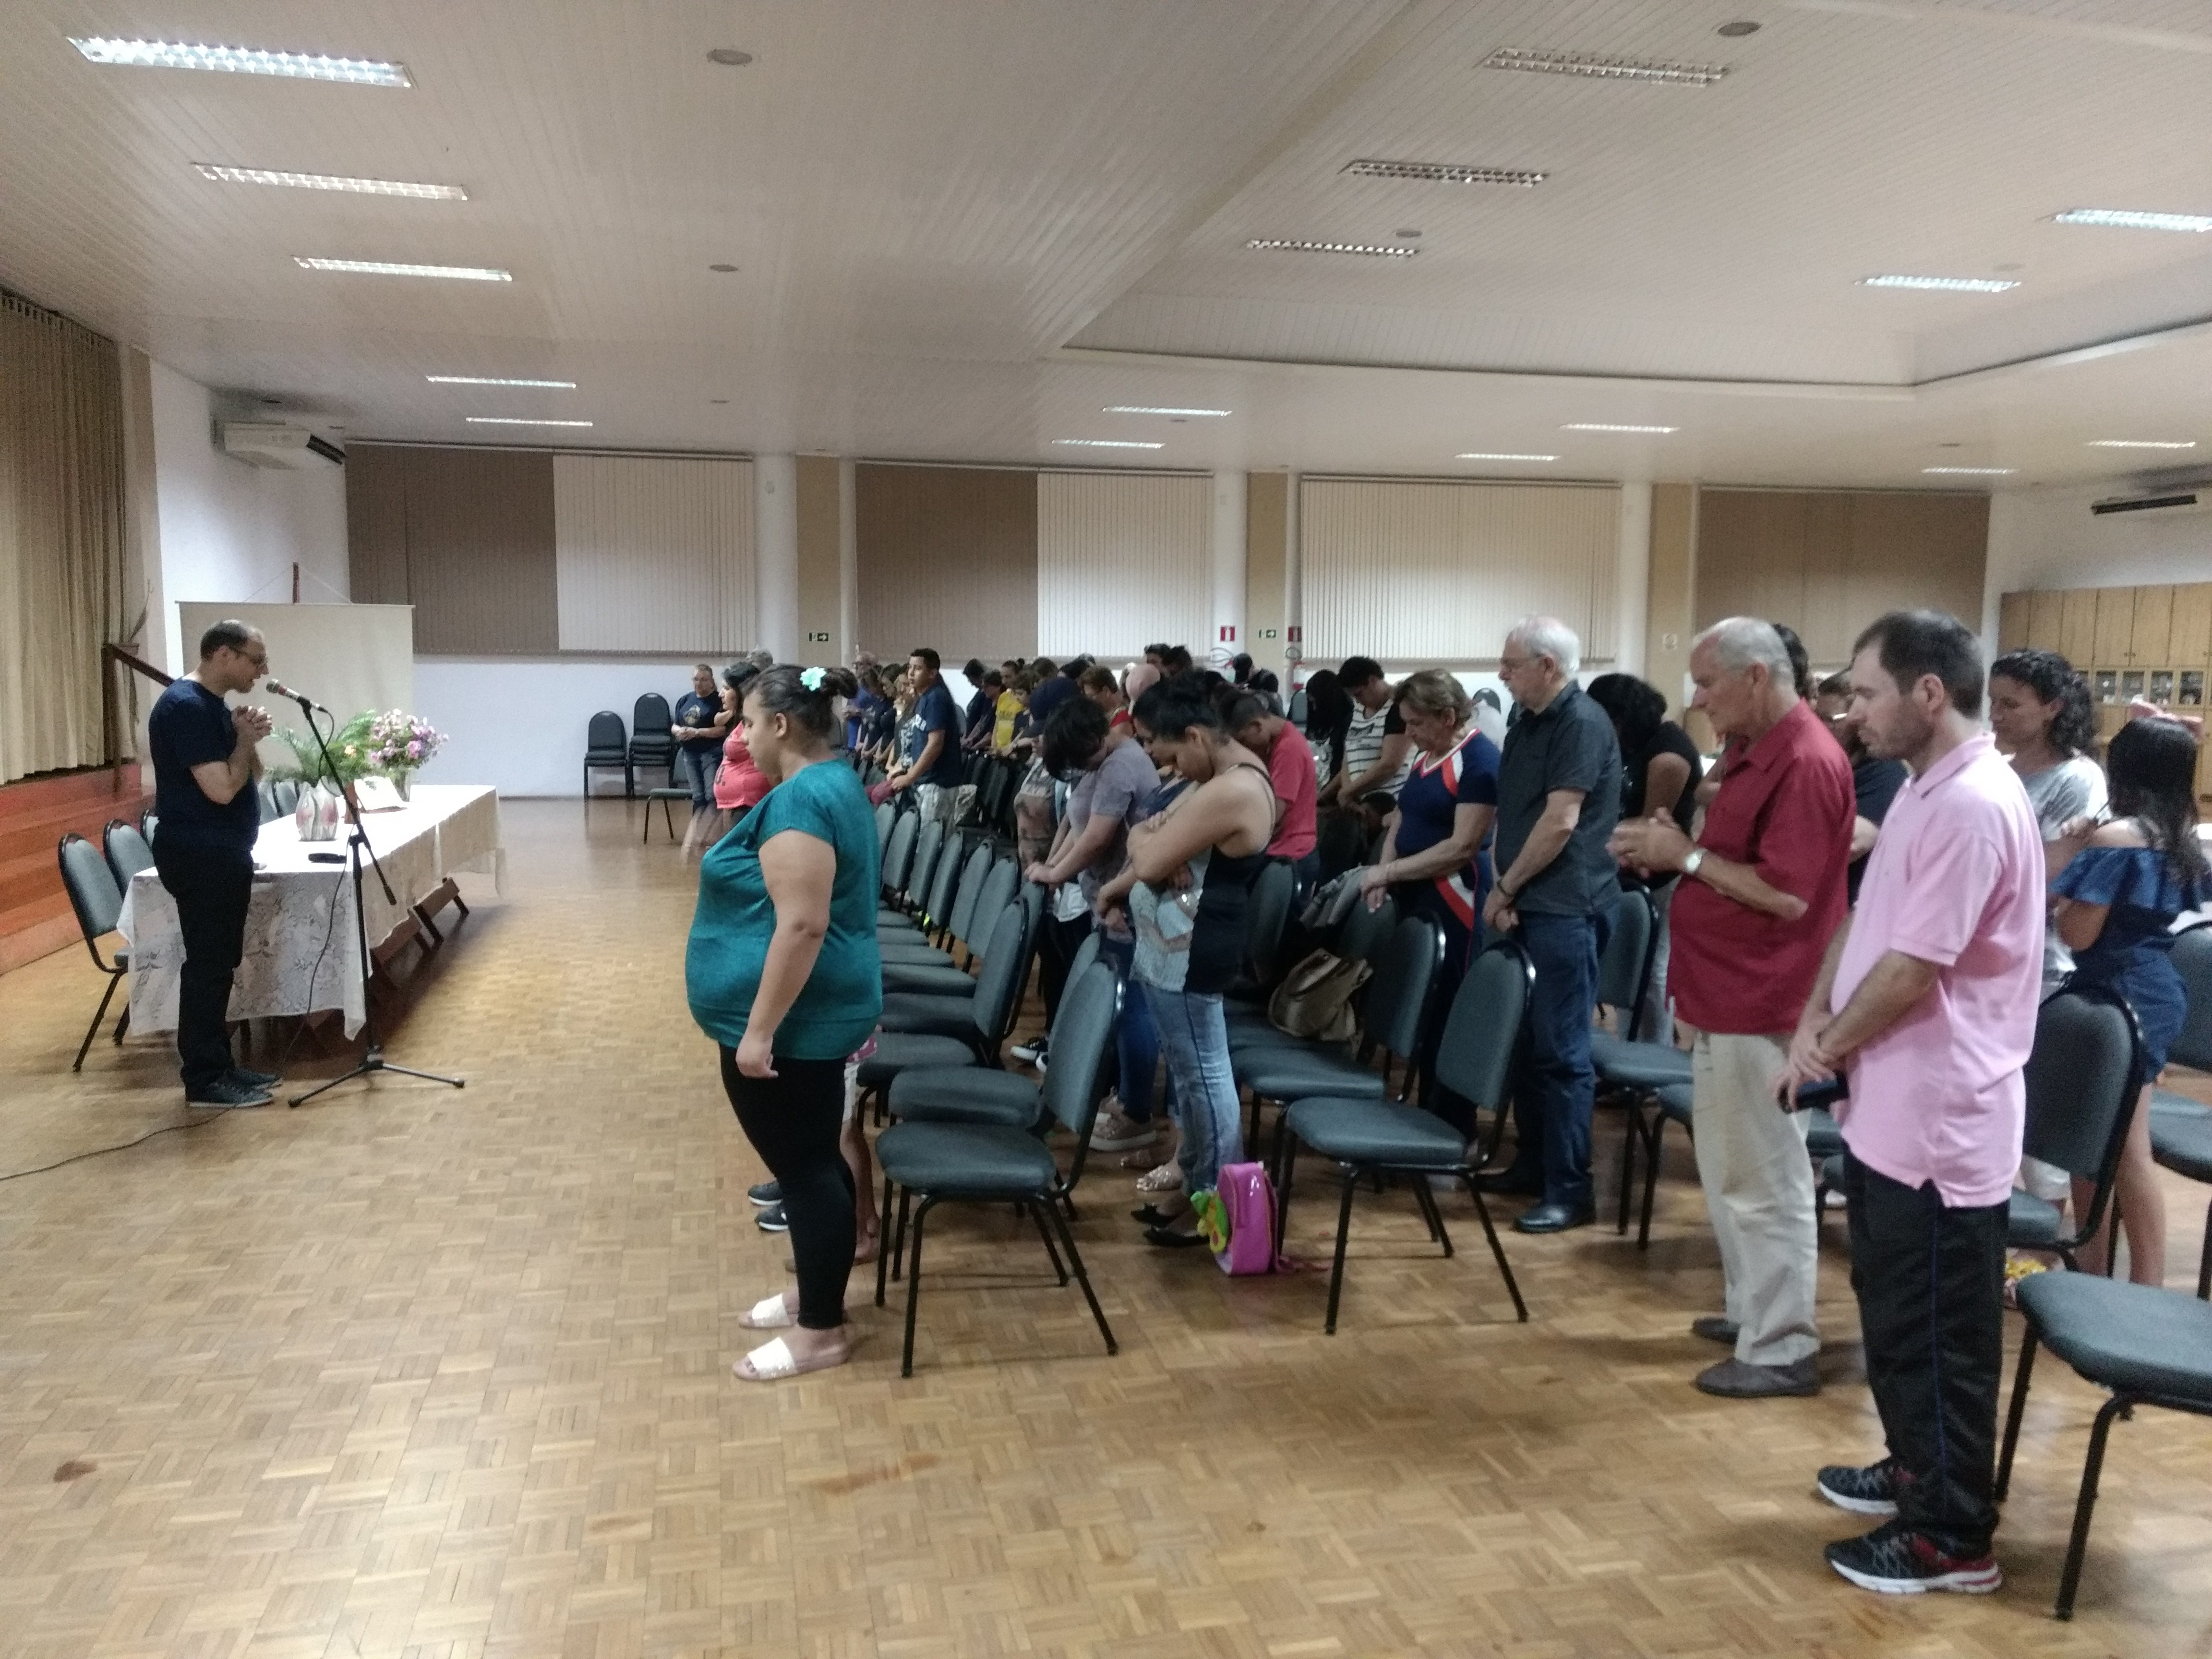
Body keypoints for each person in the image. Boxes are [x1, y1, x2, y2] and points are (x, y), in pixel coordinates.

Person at [1779, 610, 2042, 1596]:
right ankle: (1913, 1468)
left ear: (1929, 693)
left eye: (1866, 692)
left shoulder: (1973, 803)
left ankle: (1951, 1537)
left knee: (1939, 1339)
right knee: (1894, 1317)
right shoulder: (1925, 790)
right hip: (1890, 1111)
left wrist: (1824, 1047)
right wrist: (1814, 1019)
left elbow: (1913, 969)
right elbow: (1864, 922)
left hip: (1942, 1120)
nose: (1851, 711)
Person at [1611, 621, 1852, 1400]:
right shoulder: (1753, 750)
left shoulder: (1806, 759)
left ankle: (1781, 1346)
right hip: (1723, 992)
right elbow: (1731, 862)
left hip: (1766, 997)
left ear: (1755, 676)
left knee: (1767, 1177)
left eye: (1707, 683)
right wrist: (1675, 847)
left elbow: (1788, 895)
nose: (1697, 698)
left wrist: (1682, 856)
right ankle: (1752, 1313)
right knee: (1728, 1173)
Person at [688, 665, 879, 1383]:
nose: (740, 736)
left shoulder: (804, 799)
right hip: (812, 1011)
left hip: (799, 1021)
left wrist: (760, 1029)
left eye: (746, 722)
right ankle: (818, 1295)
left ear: (781, 725)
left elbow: (802, 924)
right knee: (814, 1161)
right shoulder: (827, 784)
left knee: (806, 1169)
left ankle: (822, 1332)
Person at [1096, 680, 1276, 1245]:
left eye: (1168, 752)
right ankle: (1196, 1185)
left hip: (1195, 950)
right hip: (1174, 946)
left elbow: (1149, 857)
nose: (1164, 766)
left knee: (1205, 1079)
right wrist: (1152, 839)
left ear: (1196, 736)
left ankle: (1217, 1209)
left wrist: (1154, 843)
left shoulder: (1232, 788)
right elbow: (1144, 832)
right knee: (1190, 1074)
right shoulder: (1215, 778)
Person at [2048, 714, 2209, 1286]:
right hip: (2149, 989)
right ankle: (2098, 1274)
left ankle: (2145, 1289)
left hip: (2120, 997)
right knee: (2099, 1140)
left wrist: (2071, 859)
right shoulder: (2177, 837)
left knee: (2123, 1148)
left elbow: (2076, 934)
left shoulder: (2115, 841)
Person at [1479, 617, 1622, 1233]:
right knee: (1525, 1044)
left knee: (1562, 1054)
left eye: (1511, 665)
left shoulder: (1581, 723)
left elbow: (1562, 822)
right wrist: (1502, 883)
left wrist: (1508, 886)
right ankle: (1533, 1162)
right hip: (1526, 899)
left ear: (1549, 666)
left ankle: (1570, 1188)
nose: (1501, 674)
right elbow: (1513, 814)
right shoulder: (1526, 721)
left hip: (1567, 906)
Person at [145, 619, 281, 1108]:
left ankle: (221, 1066)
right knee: (207, 966)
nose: (262, 671)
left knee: (220, 963)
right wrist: (241, 742)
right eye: (256, 660)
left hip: (220, 852)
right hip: (201, 854)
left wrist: (247, 737)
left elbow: (248, 775)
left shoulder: (211, 706)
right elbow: (222, 790)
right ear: (224, 654)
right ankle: (204, 1079)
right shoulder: (185, 707)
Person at [1356, 671, 1499, 1131]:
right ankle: (1423, 1111)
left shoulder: (1479, 762)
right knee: (1421, 1003)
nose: (1409, 733)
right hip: (1415, 890)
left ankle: (1451, 1120)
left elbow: (1462, 846)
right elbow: (1402, 817)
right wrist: (1385, 869)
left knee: (1447, 1007)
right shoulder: (1427, 755)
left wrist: (1389, 872)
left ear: (1448, 717)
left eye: (1416, 723)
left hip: (1454, 897)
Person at [1030, 697, 1166, 1151]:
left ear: (1095, 736)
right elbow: (1076, 823)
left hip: (1127, 901)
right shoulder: (1099, 762)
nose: (1078, 768)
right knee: (1120, 1003)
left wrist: (1056, 875)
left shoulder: (1121, 765)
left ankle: (1137, 1112)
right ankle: (1126, 1095)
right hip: (1107, 898)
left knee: (1132, 1007)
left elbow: (1097, 838)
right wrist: (1052, 867)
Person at [1586, 672, 1703, 1037]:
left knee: (1653, 967)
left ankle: (1653, 1049)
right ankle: (1630, 1042)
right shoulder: (1630, 744)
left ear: (1620, 717)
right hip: (1627, 867)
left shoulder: (1669, 754)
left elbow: (1650, 826)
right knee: (1628, 964)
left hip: (1662, 873)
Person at [1987, 649, 2106, 992]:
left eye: (2010, 705)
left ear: (2052, 708)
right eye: (1993, 703)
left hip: (2034, 965)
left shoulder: (2076, 778)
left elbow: (2046, 886)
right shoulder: (1996, 769)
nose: (1995, 715)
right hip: (1982, 949)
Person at [1817, 670, 1910, 907]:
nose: (1820, 727)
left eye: (1830, 719)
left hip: (1851, 905)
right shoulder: (1827, 764)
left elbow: (1851, 844)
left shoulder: (1883, 770)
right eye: (1817, 717)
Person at [1228, 692, 1320, 894]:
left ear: (1257, 726)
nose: (1245, 748)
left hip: (1289, 856)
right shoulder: (1279, 743)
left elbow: (1274, 815)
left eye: (1243, 740)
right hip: (1283, 851)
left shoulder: (1288, 749)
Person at [886, 648, 964, 821]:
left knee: (929, 835)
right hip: (926, 780)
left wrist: (910, 777)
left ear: (932, 673)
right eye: (910, 668)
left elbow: (935, 744)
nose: (911, 673)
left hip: (938, 783)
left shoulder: (936, 698)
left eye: (918, 668)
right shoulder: (924, 698)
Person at [1325, 657, 1413, 806]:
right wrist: (1348, 792)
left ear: (1373, 680)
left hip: (1389, 801)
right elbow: (1349, 758)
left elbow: (1390, 764)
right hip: (1359, 799)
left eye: (1359, 694)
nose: (1357, 700)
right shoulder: (1358, 711)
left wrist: (1348, 792)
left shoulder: (1397, 709)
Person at [672, 662, 733, 856]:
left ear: (712, 681)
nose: (699, 683)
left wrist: (697, 732)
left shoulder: (717, 701)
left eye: (704, 680)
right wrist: (679, 731)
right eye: (696, 679)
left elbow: (722, 730)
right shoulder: (685, 700)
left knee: (711, 796)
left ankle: (713, 838)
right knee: (698, 797)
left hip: (711, 753)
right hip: (689, 754)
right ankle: (698, 836)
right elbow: (674, 724)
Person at [711, 664, 769, 833]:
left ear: (741, 692)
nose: (721, 694)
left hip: (748, 801)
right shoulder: (741, 720)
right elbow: (717, 720)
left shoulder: (758, 722)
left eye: (726, 688)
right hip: (737, 803)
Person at [1301, 668, 1353, 793]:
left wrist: (1323, 796)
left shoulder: (1348, 725)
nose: (1314, 709)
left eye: (1315, 703)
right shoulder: (1321, 727)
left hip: (1332, 791)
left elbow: (1343, 769)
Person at [1079, 663, 1130, 729]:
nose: (1089, 701)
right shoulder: (1108, 716)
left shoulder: (1123, 721)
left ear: (1106, 691)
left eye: (1091, 696)